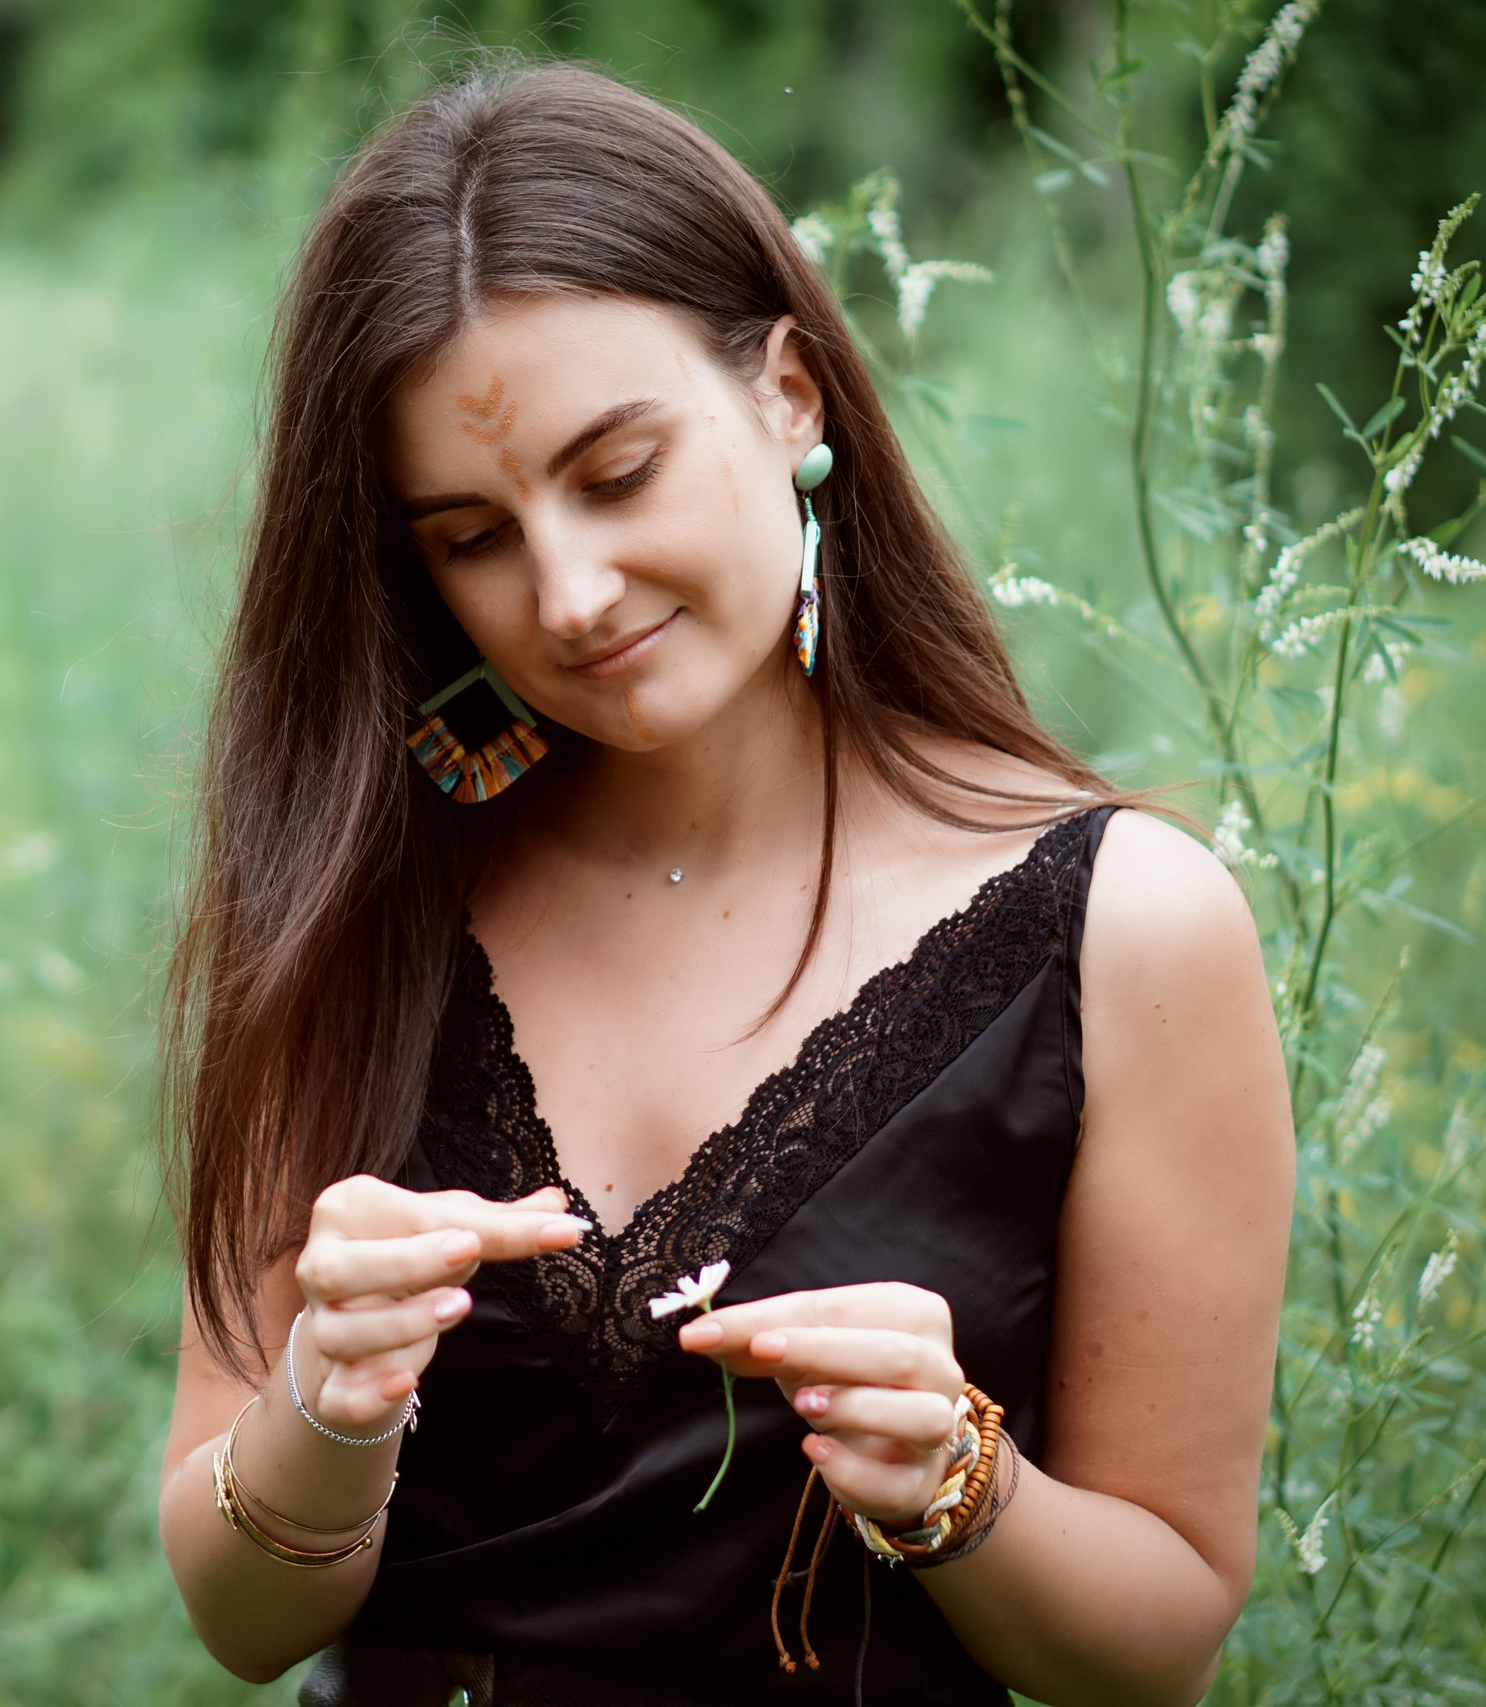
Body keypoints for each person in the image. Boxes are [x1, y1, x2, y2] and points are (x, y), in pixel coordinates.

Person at [155, 57, 1293, 1707]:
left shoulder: (1124, 925)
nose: (569, 589)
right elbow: (244, 1621)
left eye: (617, 473)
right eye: (472, 535)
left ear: (791, 395)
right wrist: (325, 1413)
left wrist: (961, 1488)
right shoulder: (359, 894)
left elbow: (1159, 1642)